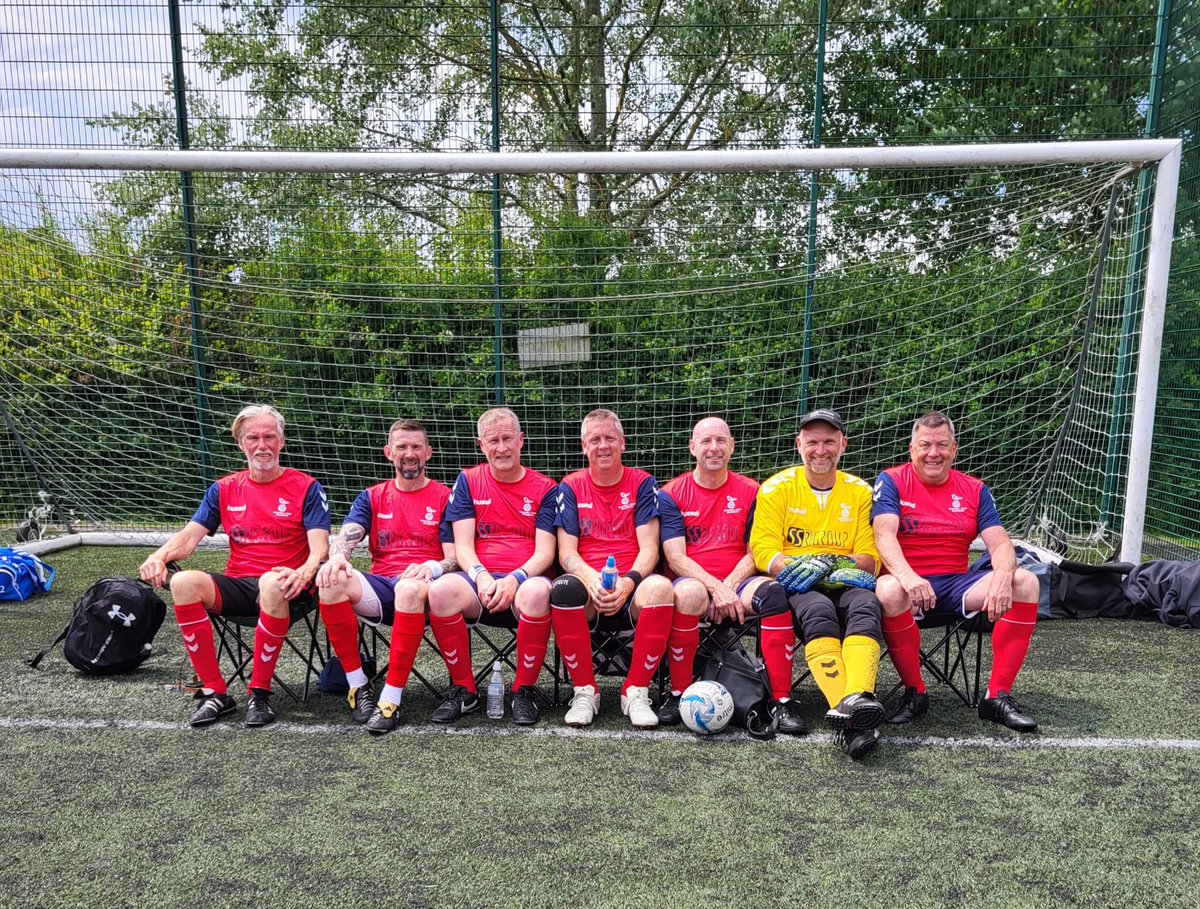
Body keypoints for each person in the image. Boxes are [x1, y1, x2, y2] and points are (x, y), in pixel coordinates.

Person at [139, 405, 330, 728]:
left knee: (271, 581)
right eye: (253, 438)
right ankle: (216, 692)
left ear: (281, 442)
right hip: (241, 584)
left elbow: (320, 549)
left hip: (291, 585)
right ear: (241, 444)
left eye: (269, 437)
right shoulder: (224, 489)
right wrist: (158, 556)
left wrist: (304, 572)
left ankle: (260, 693)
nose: (261, 445)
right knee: (183, 582)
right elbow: (188, 539)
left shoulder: (306, 487)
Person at [872, 411, 1040, 732]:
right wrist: (909, 577)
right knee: (889, 590)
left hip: (956, 585)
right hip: (908, 583)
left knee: (1026, 583)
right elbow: (883, 536)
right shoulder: (892, 480)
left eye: (942, 445)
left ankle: (996, 696)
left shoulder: (974, 489)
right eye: (925, 445)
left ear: (954, 449)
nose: (933, 453)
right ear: (911, 449)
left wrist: (1003, 579)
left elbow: (1001, 544)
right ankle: (915, 692)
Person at [748, 409, 886, 759]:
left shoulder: (861, 491)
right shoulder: (776, 488)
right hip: (799, 584)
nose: (820, 449)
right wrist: (794, 565)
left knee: (866, 607)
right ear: (799, 445)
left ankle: (852, 700)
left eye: (829, 441)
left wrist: (829, 563)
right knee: (819, 611)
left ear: (843, 444)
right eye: (812, 442)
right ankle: (856, 714)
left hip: (846, 580)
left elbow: (870, 557)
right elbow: (762, 548)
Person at [658, 416, 804, 734]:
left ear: (732, 447)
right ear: (692, 447)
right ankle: (678, 693)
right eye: (706, 441)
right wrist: (713, 588)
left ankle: (781, 700)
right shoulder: (671, 493)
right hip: (694, 582)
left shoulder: (755, 491)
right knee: (689, 594)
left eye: (721, 441)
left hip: (740, 581)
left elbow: (759, 549)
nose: (714, 448)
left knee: (774, 592)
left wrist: (728, 586)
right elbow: (675, 556)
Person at [315, 418, 454, 735]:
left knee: (407, 588)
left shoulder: (446, 497)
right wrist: (337, 557)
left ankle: (390, 700)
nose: (409, 453)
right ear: (388, 452)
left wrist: (433, 567)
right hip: (380, 589)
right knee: (332, 579)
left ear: (428, 453)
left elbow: (454, 557)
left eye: (416, 446)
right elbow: (347, 535)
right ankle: (357, 686)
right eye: (402, 447)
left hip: (427, 592)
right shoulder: (372, 497)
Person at [425, 408, 558, 726]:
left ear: (521, 441)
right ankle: (464, 690)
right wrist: (481, 576)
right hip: (479, 580)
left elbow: (546, 553)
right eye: (493, 440)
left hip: (525, 579)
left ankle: (523, 691)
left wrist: (515, 578)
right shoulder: (468, 480)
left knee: (540, 592)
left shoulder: (546, 488)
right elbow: (463, 547)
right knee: (441, 590)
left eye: (508, 438)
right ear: (481, 445)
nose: (501, 447)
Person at [551, 408, 670, 729]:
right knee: (563, 587)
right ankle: (585, 691)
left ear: (623, 443)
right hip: (590, 590)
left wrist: (627, 583)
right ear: (583, 446)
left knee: (661, 588)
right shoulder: (570, 485)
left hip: (631, 588)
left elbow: (649, 548)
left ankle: (635, 690)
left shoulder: (643, 483)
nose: (602, 446)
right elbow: (566, 553)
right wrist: (592, 581)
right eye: (594, 440)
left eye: (609, 438)